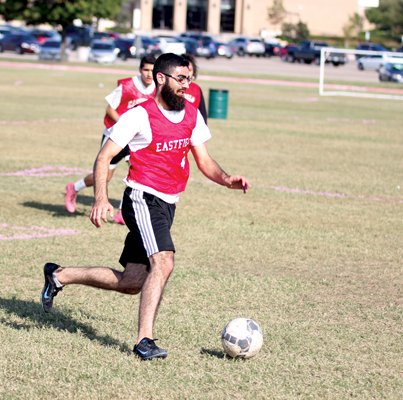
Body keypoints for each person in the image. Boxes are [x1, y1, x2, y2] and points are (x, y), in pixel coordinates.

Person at [41, 53, 250, 360]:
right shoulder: (139, 116)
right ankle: (144, 341)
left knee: (131, 282)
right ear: (161, 79)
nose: (187, 85)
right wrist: (101, 197)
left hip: (168, 203)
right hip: (143, 198)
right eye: (181, 79)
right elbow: (104, 158)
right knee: (163, 262)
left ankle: (59, 276)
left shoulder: (192, 114)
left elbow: (204, 160)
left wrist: (227, 178)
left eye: (189, 79)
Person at [65, 54, 157, 225]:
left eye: (152, 70)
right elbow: (110, 109)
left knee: (138, 171)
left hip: (135, 140)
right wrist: (124, 123)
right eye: (146, 70)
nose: (149, 74)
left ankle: (123, 211)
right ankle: (74, 188)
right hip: (115, 135)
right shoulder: (127, 85)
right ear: (140, 69)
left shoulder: (157, 88)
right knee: (104, 177)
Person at [181, 54, 208, 123]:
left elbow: (202, 114)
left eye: (189, 70)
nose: (187, 73)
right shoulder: (172, 87)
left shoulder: (196, 88)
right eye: (184, 69)